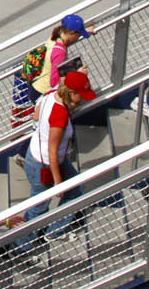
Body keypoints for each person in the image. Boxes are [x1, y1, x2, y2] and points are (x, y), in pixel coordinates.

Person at [22, 71, 99, 235]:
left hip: (38, 156)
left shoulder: (50, 94)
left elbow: (36, 116)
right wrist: (58, 183)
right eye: (81, 95)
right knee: (38, 208)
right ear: (71, 93)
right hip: (45, 165)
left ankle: (55, 231)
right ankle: (21, 247)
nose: (83, 99)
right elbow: (52, 151)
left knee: (75, 191)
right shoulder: (60, 115)